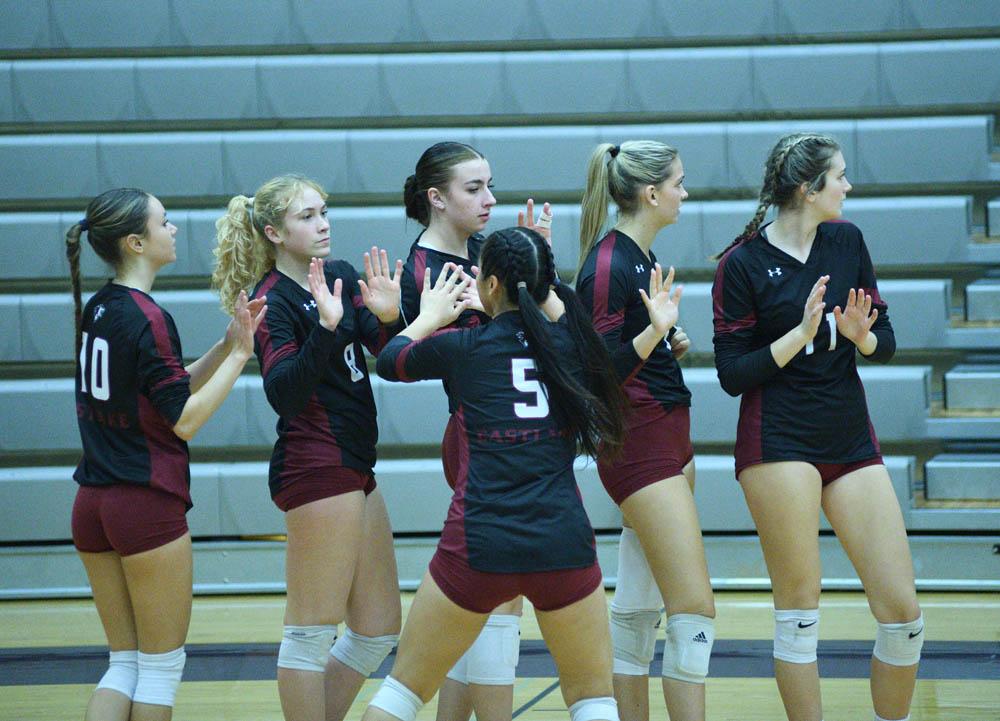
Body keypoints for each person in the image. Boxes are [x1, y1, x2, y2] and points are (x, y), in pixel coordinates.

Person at [367, 226, 628, 721]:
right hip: (561, 540)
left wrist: (427, 317)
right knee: (594, 699)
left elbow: (389, 361)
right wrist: (538, 274)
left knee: (402, 692)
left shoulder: (464, 347)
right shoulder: (574, 346)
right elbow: (562, 314)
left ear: (487, 285)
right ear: (547, 283)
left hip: (480, 542)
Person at [711, 132, 922, 721]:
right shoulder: (741, 263)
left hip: (848, 434)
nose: (849, 186)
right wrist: (798, 337)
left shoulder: (846, 240)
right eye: (840, 176)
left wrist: (862, 336)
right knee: (800, 611)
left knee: (903, 615)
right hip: (778, 438)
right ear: (809, 188)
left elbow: (887, 344)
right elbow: (732, 375)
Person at [67, 188, 266, 721]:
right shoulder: (147, 316)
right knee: (158, 669)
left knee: (125, 663)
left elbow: (164, 393)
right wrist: (244, 356)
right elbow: (186, 420)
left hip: (92, 505)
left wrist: (226, 345)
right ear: (136, 242)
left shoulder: (100, 306)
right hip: (144, 505)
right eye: (164, 222)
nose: (174, 228)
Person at [212, 174, 404, 721]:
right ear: (273, 232)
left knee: (377, 630)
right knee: (310, 632)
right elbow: (284, 394)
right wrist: (323, 327)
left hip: (355, 462)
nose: (323, 224)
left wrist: (390, 318)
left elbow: (387, 356)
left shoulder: (340, 274)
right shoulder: (269, 302)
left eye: (324, 212)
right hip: (316, 464)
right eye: (307, 217)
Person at [400, 141, 551, 721]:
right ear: (437, 199)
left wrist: (539, 258)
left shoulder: (490, 251)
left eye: (490, 184)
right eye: (474, 189)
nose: (490, 199)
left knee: (484, 599)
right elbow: (409, 361)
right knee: (501, 595)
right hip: (477, 436)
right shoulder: (421, 270)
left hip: (517, 435)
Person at [575, 142, 715, 721]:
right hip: (640, 444)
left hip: (665, 436)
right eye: (679, 183)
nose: (685, 193)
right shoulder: (610, 262)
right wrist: (653, 335)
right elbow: (596, 365)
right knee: (694, 611)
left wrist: (663, 341)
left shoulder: (635, 255)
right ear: (652, 193)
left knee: (638, 606)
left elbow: (622, 347)